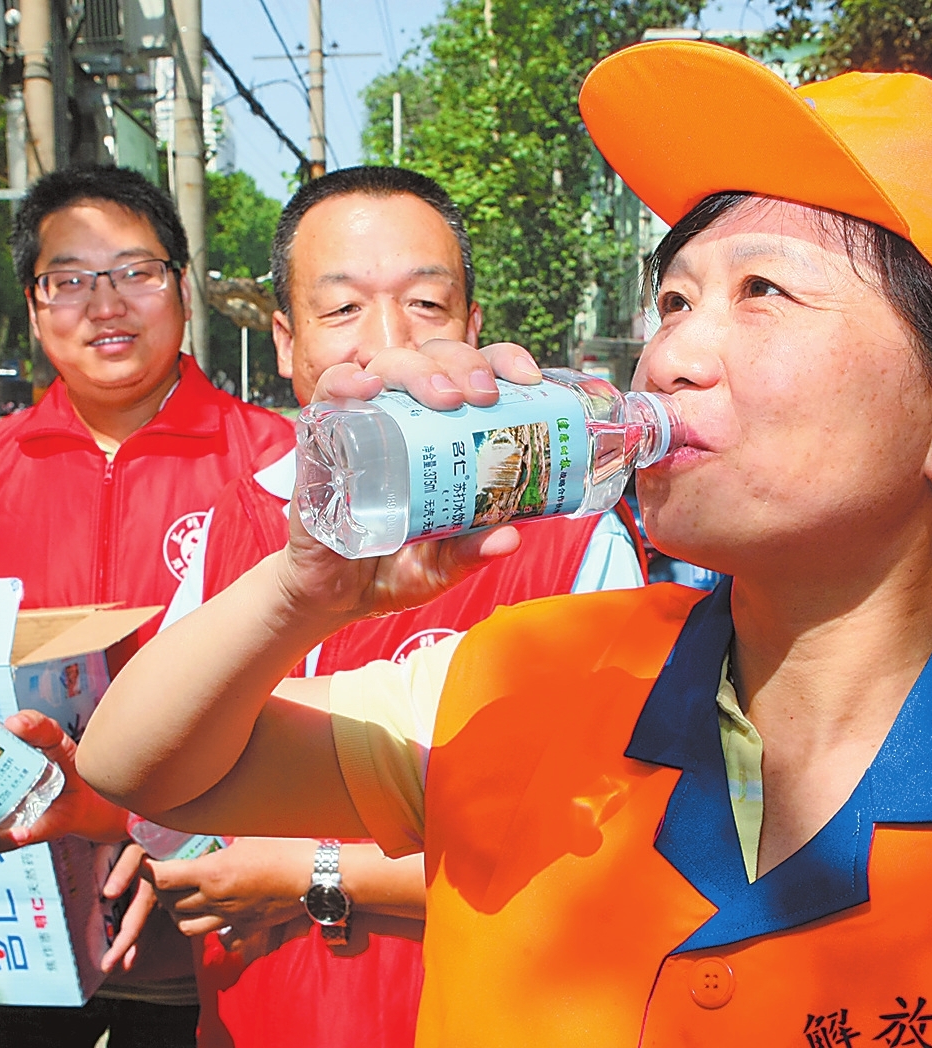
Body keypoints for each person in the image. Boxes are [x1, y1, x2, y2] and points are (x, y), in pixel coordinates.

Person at [77, 42, 932, 1045]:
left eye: (762, 292)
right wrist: (310, 587)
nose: (668, 358)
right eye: (674, 301)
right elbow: (144, 770)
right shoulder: (526, 673)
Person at [150, 165, 643, 1048]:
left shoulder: (570, 535)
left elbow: (613, 847)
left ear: (472, 329)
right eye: (341, 309)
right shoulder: (237, 521)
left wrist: (312, 872)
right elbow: (157, 787)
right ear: (284, 339)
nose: (385, 342)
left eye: (424, 304)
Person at [0, 164, 292, 1048]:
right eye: (69, 279)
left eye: (135, 272)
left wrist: (166, 824)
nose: (105, 304)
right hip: (21, 933)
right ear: (34, 307)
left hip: (217, 936)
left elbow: (319, 692)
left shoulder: (279, 463)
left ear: (181, 287)